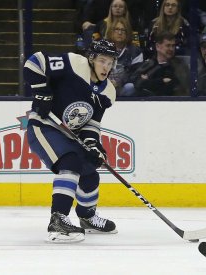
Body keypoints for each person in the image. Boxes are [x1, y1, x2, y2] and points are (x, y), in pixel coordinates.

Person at [23, 39, 119, 243]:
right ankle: (58, 220)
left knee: (90, 172)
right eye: (102, 61)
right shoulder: (73, 63)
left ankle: (87, 217)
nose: (106, 67)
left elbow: (92, 123)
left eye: (110, 63)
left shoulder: (108, 91)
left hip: (68, 134)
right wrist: (42, 91)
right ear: (91, 58)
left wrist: (93, 145)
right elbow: (34, 61)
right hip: (43, 126)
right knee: (70, 162)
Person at [122, 31, 190, 96]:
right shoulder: (149, 63)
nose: (171, 49)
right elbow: (136, 82)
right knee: (129, 87)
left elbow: (170, 87)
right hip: (143, 101)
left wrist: (146, 82)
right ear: (157, 46)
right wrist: (161, 81)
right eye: (168, 45)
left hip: (167, 102)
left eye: (173, 46)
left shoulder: (178, 65)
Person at [105, 17, 143, 95]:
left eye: (123, 30)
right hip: (103, 85)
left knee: (130, 87)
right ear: (111, 31)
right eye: (117, 29)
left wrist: (119, 83)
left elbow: (135, 74)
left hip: (123, 87)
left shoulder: (135, 51)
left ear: (128, 33)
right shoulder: (103, 49)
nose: (120, 33)